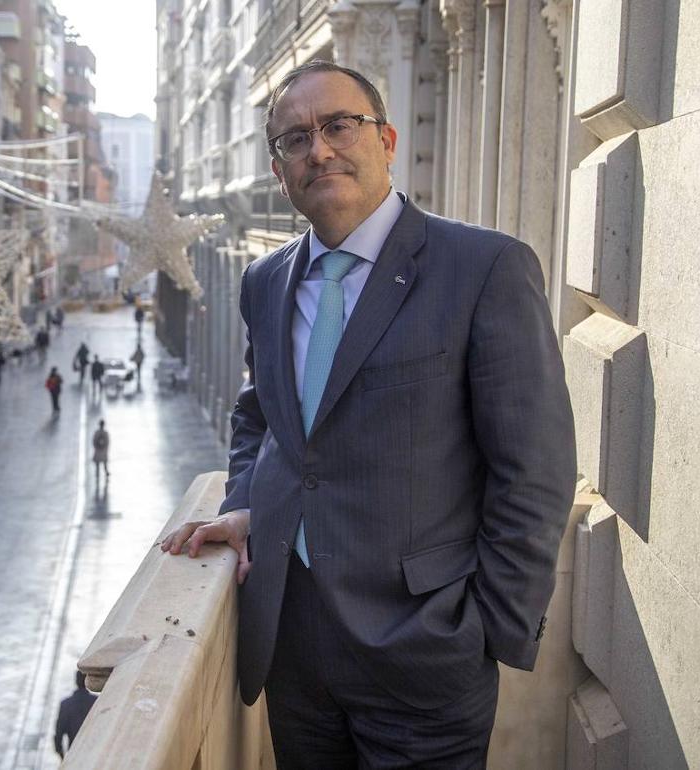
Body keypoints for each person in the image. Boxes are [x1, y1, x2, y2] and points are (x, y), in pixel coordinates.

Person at [161, 60, 575, 768]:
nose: (319, 149)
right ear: (279, 167)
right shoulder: (264, 281)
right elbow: (262, 418)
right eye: (296, 139)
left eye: (339, 126)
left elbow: (535, 469)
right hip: (294, 655)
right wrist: (248, 507)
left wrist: (484, 631)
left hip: (425, 665)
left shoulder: (484, 268)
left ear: (384, 139)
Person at [53, 671, 98, 760]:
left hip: (74, 753)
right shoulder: (96, 702)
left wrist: (61, 755)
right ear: (86, 681)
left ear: (76, 681)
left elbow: (59, 732)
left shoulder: (66, 704)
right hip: (93, 753)